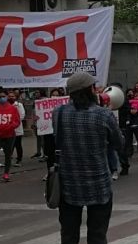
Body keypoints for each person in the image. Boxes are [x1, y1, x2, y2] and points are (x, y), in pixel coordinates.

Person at [54, 72, 123, 244]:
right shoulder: (103, 115)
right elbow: (119, 143)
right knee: (97, 235)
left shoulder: (59, 113)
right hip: (99, 184)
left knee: (69, 235)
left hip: (69, 185)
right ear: (90, 90)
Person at [7, 90, 26, 167]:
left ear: (15, 97)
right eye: (9, 96)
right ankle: (8, 159)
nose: (11, 97)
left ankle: (19, 159)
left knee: (18, 144)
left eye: (13, 96)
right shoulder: (5, 105)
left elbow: (22, 115)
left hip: (17, 128)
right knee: (9, 145)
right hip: (7, 128)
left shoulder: (19, 105)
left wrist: (14, 123)